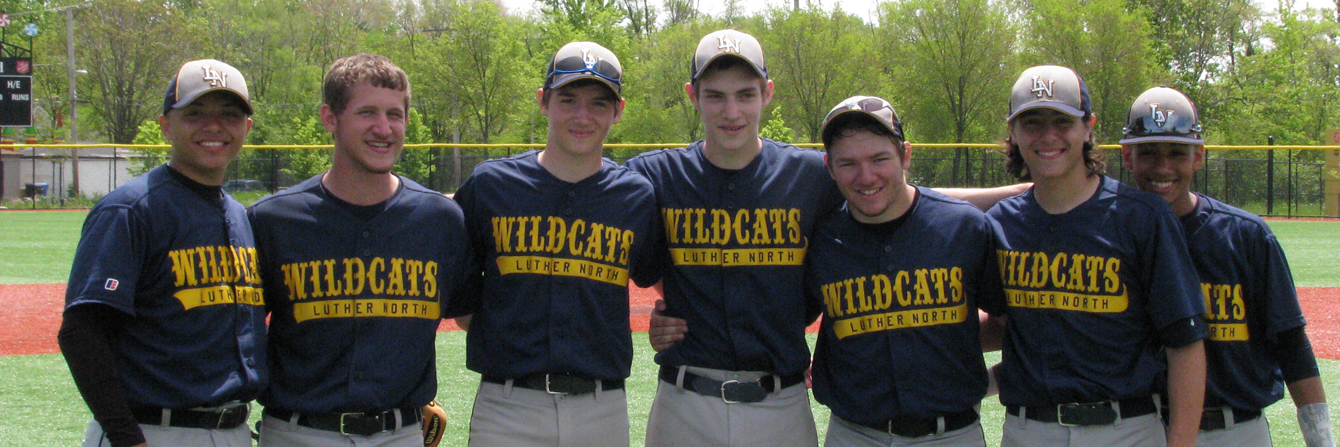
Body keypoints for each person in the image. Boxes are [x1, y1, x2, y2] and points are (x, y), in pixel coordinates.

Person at [624, 29, 843, 447]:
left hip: (781, 403)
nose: (731, 111)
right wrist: (669, 298)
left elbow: (891, 202)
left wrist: (1008, 193)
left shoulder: (812, 175)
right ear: (692, 95)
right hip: (684, 403)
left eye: (745, 94)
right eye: (715, 95)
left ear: (767, 92)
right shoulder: (655, 175)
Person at [248, 53, 475, 447]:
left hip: (399, 433)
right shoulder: (274, 220)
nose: (384, 128)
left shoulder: (439, 219)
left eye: (395, 114)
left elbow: (475, 315)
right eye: (367, 112)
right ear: (330, 118)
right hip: (297, 434)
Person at [983, 65, 1207, 447]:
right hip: (1028, 430)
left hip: (1126, 428)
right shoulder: (1000, 225)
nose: (1048, 135)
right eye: (1033, 122)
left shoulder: (1142, 217)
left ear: (1088, 126)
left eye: (1062, 121)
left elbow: (1185, 345)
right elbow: (1006, 325)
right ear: (1013, 131)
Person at [453, 41, 662, 447]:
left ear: (618, 111)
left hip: (601, 408)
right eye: (568, 99)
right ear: (543, 102)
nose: (582, 116)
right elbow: (459, 302)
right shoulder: (491, 186)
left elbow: (662, 278)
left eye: (599, 103)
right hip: (507, 405)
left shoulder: (635, 196)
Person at [58, 59, 263, 447]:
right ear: (166, 124)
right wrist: (128, 438)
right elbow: (81, 333)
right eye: (195, 113)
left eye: (229, 114)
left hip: (232, 431)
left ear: (246, 128)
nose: (214, 126)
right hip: (152, 431)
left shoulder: (239, 216)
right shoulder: (131, 210)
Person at [1118, 86, 1335, 447]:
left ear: (1199, 156)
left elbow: (1291, 343)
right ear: (1127, 157)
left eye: (1177, 152)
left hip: (1236, 429)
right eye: (1149, 153)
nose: (1163, 167)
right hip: (1145, 429)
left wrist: (1321, 439)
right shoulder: (1113, 234)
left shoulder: (1244, 235)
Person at [807, 95, 1007, 446]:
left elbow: (1011, 322)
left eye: (879, 158)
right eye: (848, 163)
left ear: (905, 154)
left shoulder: (963, 228)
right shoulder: (820, 240)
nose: (866, 176)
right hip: (854, 434)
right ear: (829, 166)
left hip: (952, 434)